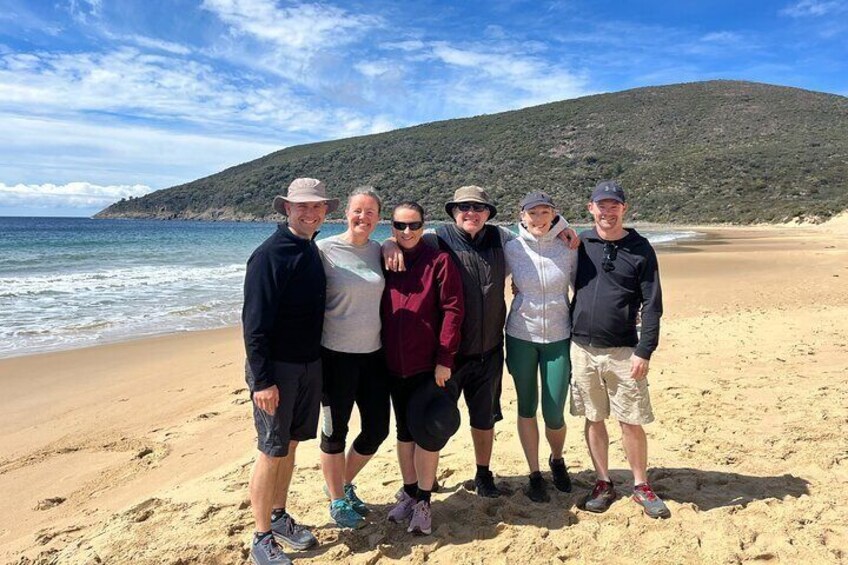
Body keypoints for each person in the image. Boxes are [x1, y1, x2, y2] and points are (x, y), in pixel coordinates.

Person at [385, 185, 578, 498]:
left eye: (478, 208)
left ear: (488, 213)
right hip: (447, 356)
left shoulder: (502, 240)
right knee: (433, 418)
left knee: (484, 419)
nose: (471, 213)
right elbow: (408, 236)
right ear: (453, 212)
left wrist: (565, 226)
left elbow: (537, 229)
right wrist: (389, 245)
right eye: (464, 207)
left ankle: (483, 473)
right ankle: (425, 479)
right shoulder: (438, 238)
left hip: (489, 351)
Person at [242, 178, 338, 565]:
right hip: (276, 371)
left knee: (292, 445)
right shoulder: (269, 255)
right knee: (270, 450)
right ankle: (261, 536)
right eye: (302, 206)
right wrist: (262, 381)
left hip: (307, 364)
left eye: (317, 207)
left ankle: (279, 517)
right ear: (287, 209)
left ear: (324, 211)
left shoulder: (311, 249)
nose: (310, 213)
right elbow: (254, 324)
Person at [569, 180, 669, 519]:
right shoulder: (580, 242)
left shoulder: (641, 248)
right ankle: (603, 482)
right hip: (581, 347)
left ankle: (641, 485)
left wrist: (645, 350)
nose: (608, 211)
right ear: (590, 208)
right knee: (594, 417)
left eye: (614, 205)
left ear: (624, 209)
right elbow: (541, 236)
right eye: (602, 205)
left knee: (631, 420)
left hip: (625, 350)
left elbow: (652, 305)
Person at [381, 201, 464, 535]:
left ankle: (425, 501)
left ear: (423, 225)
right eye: (400, 226)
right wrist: (386, 245)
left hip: (429, 366)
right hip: (391, 365)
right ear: (391, 228)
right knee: (404, 433)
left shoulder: (439, 261)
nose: (407, 232)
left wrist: (445, 359)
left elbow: (453, 310)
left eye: (414, 225)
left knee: (427, 435)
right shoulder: (384, 257)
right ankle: (411, 492)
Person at [317, 187, 390, 530]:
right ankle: (336, 500)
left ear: (379, 217)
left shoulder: (380, 249)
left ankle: (342, 483)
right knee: (335, 434)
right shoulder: (324, 250)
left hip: (373, 356)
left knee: (376, 430)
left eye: (370, 212)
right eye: (357, 211)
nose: (363, 217)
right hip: (334, 357)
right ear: (346, 213)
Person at [504, 192, 578, 503]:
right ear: (521, 216)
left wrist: (566, 228)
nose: (538, 218)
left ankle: (557, 459)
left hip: (559, 337)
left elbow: (585, 287)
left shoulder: (569, 247)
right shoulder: (511, 247)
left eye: (545, 212)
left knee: (554, 412)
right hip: (521, 336)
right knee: (526, 406)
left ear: (554, 215)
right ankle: (534, 472)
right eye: (532, 213)